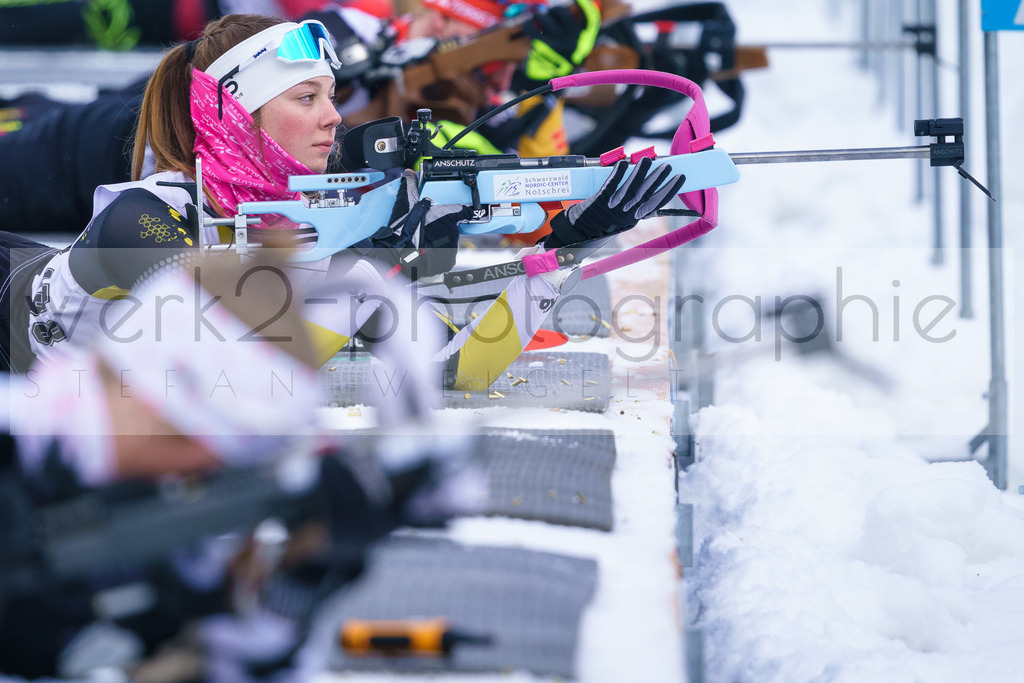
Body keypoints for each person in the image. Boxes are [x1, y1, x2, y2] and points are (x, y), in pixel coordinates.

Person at [0, 13, 683, 391]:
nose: (334, 118)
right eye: (307, 99)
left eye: (331, 96)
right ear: (235, 117)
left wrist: (563, 247)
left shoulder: (303, 227)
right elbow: (237, 338)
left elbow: (458, 366)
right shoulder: (145, 219)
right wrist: (381, 254)